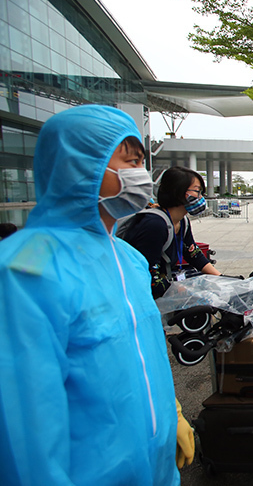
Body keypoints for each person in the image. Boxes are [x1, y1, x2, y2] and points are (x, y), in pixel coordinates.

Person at [0, 105, 193, 484]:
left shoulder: (129, 260)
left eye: (142, 161)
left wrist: (172, 414)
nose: (141, 173)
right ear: (81, 165)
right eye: (130, 161)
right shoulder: (25, 269)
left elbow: (144, 352)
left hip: (154, 468)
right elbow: (22, 426)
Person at [122, 166, 222, 299]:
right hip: (136, 295)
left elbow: (193, 254)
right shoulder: (154, 225)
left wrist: (222, 279)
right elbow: (147, 274)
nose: (201, 197)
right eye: (197, 191)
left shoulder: (182, 221)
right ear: (178, 192)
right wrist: (183, 290)